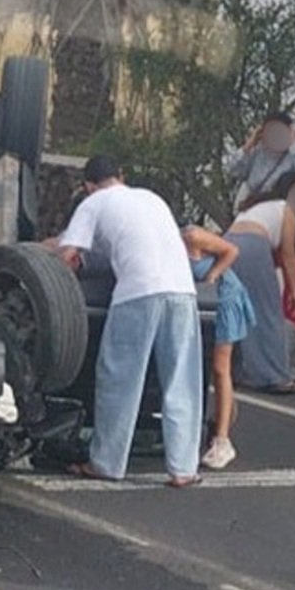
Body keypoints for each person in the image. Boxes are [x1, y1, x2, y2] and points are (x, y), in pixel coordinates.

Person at [56, 156, 205, 487]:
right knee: (182, 379)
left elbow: (67, 256)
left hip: (138, 293)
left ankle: (106, 463)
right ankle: (183, 469)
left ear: (88, 186)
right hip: (182, 291)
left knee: (119, 378)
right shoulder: (152, 198)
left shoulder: (92, 203)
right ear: (122, 175)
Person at [227, 171, 295, 394]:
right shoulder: (286, 209)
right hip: (253, 245)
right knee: (268, 314)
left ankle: (240, 369)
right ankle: (275, 375)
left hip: (228, 244)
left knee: (241, 311)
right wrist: (293, 290)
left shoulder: (259, 205)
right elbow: (288, 253)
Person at [183, 225, 252, 471]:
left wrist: (213, 275)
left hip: (224, 296)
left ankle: (223, 441)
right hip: (201, 301)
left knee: (220, 368)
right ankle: (221, 416)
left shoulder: (192, 236)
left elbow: (231, 250)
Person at [226, 111, 295, 215]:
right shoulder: (257, 152)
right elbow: (232, 170)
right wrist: (248, 145)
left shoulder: (294, 155)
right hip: (253, 207)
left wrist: (294, 143)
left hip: (281, 210)